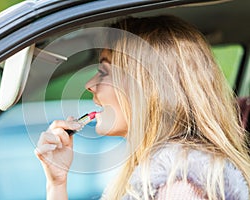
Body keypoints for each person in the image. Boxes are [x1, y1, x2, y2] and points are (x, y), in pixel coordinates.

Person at [35, 15, 250, 199]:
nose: (89, 85)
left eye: (103, 72)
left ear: (147, 87)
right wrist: (57, 183)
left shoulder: (180, 187)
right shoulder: (160, 178)